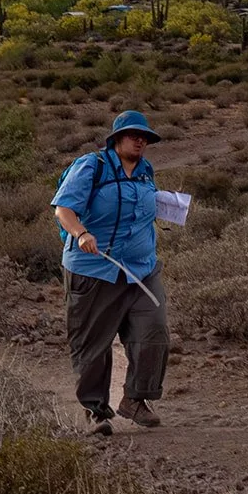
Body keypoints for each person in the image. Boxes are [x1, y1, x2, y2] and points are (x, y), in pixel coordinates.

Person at [52, 109, 170, 435]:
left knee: (154, 329)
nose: (139, 140)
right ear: (116, 138)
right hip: (94, 270)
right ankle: (95, 411)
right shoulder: (92, 166)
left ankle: (134, 399)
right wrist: (81, 233)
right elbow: (64, 209)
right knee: (93, 345)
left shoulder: (146, 171)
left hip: (141, 269)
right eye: (133, 134)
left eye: (144, 136)